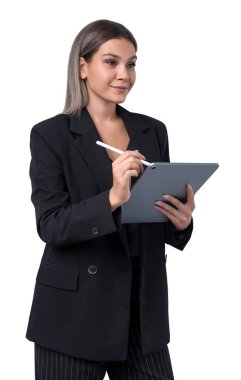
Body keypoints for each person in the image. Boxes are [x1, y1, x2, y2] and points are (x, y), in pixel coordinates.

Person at [26, 19, 195, 380]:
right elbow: (51, 225)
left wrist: (181, 222)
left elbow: (152, 216)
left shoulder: (152, 130)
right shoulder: (50, 135)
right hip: (75, 314)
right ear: (82, 67)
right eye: (111, 62)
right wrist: (113, 197)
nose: (124, 74)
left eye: (131, 64)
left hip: (140, 311)